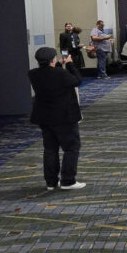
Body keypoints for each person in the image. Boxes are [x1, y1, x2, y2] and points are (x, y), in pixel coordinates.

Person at [28, 47, 85, 190]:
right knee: (71, 148)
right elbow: (77, 80)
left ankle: (51, 182)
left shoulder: (33, 74)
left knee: (50, 149)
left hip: (44, 117)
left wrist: (58, 65)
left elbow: (50, 76)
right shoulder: (61, 73)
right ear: (53, 59)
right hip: (64, 117)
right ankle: (68, 180)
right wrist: (70, 64)